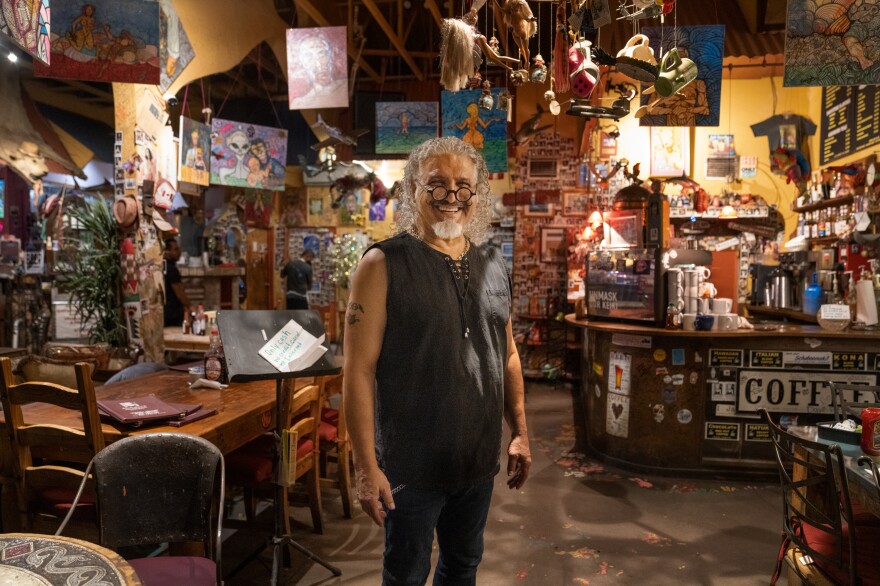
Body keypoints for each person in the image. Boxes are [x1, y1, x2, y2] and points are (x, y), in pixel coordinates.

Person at [343, 136, 530, 585]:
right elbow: (358, 372)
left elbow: (506, 355)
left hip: (476, 462)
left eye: (463, 186)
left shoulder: (492, 261)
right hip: (410, 467)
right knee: (406, 575)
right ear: (412, 191)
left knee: (462, 567)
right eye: (437, 185)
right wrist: (367, 468)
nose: (451, 197)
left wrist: (520, 431)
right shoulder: (382, 264)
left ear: (477, 193)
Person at [163, 238, 192, 328]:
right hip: (173, 314)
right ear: (167, 252)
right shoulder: (172, 269)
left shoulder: (164, 265)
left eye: (178, 249)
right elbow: (180, 293)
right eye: (175, 249)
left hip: (165, 313)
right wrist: (190, 306)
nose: (179, 252)